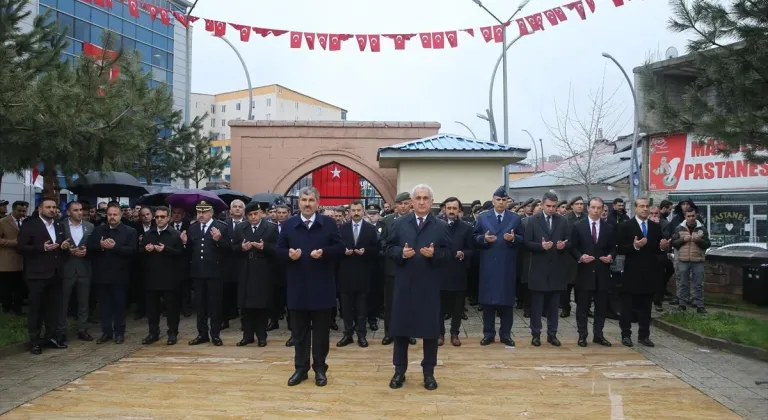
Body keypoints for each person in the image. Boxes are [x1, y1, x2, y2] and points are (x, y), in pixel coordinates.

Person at [277, 186, 344, 387]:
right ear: (298, 202)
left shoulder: (329, 224)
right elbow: (277, 250)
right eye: (304, 200)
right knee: (299, 332)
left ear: (318, 203)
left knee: (322, 333)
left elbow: (340, 248)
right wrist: (288, 254)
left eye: (311, 200)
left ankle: (320, 369)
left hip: (322, 287)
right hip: (297, 287)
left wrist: (324, 252)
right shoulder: (289, 225)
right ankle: (300, 369)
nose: (307, 203)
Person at [386, 184, 450, 391]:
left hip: (429, 286)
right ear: (411, 202)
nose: (422, 202)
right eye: (418, 198)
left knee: (430, 332)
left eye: (426, 198)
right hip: (405, 285)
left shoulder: (440, 226)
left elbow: (449, 253)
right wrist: (400, 254)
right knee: (401, 330)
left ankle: (428, 373)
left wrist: (436, 255)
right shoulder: (400, 224)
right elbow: (387, 248)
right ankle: (399, 371)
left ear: (432, 202)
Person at [16, 198, 67, 355]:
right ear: (40, 209)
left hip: (55, 274)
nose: (52, 210)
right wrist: (41, 248)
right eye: (48, 207)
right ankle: (35, 341)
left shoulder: (58, 225)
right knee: (36, 309)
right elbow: (21, 247)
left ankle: (51, 337)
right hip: (37, 274)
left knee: (52, 309)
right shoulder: (30, 225)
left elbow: (59, 246)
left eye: (54, 207)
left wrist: (64, 246)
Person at [473, 187, 523, 346]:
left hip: (507, 265)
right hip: (489, 265)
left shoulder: (515, 218)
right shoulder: (483, 217)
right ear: (493, 200)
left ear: (507, 201)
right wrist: (483, 239)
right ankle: (488, 333)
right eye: (498, 199)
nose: (501, 202)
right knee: (488, 302)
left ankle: (505, 334)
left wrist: (513, 239)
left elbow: (522, 239)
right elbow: (474, 237)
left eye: (504, 200)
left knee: (507, 303)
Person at [617, 198, 670, 347]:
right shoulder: (626, 226)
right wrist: (634, 246)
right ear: (635, 208)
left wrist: (662, 246)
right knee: (627, 307)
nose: (645, 209)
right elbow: (620, 248)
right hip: (630, 272)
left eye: (647, 206)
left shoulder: (655, 227)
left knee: (646, 307)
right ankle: (626, 334)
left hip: (649, 273)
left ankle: (644, 335)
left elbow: (657, 249)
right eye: (642, 206)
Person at [523, 192, 570, 347]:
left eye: (554, 206)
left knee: (554, 305)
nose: (551, 209)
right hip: (538, 268)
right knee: (537, 304)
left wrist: (564, 246)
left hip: (556, 268)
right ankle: (536, 334)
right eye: (548, 206)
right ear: (542, 205)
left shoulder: (563, 221)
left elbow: (568, 241)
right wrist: (540, 246)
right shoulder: (532, 221)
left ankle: (552, 334)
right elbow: (526, 243)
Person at [183, 200, 231, 346]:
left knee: (215, 305)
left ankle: (215, 334)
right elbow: (189, 251)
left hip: (215, 272)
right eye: (199, 212)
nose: (201, 215)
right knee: (200, 305)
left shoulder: (221, 227)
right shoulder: (193, 228)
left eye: (204, 212)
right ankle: (202, 333)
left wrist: (218, 240)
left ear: (211, 213)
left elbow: (229, 248)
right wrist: (185, 243)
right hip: (198, 272)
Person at [88, 202, 137, 344]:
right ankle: (106, 332)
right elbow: (89, 248)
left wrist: (116, 247)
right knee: (104, 306)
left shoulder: (129, 231)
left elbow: (132, 251)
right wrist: (100, 246)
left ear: (121, 215)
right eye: (110, 214)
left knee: (119, 305)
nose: (112, 217)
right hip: (101, 274)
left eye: (115, 214)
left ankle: (119, 332)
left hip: (119, 275)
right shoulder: (98, 230)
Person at [569, 197, 616, 347]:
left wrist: (610, 256)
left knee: (601, 307)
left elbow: (613, 247)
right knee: (582, 306)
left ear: (602, 209)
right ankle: (582, 335)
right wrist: (580, 257)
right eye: (593, 207)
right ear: (588, 208)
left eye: (599, 208)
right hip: (585, 272)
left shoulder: (608, 228)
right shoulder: (578, 226)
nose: (596, 211)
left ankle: (598, 334)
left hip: (602, 272)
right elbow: (572, 246)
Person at [232, 201, 278, 347]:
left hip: (262, 270)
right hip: (245, 270)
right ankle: (247, 335)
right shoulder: (240, 228)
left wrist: (265, 247)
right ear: (247, 216)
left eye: (256, 214)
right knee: (245, 306)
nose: (253, 217)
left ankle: (262, 335)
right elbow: (233, 248)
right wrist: (241, 247)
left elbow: (278, 248)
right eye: (250, 215)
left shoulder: (271, 228)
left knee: (261, 305)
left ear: (261, 214)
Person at [336, 200, 379, 348]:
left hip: (363, 274)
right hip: (345, 275)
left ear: (363, 211)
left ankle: (361, 335)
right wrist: (343, 252)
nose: (355, 213)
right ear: (349, 212)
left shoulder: (370, 229)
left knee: (362, 309)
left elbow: (376, 250)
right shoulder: (341, 229)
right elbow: (335, 248)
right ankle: (348, 334)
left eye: (358, 210)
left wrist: (365, 251)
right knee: (346, 309)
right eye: (353, 210)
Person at [139, 206, 184, 345]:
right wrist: (145, 250)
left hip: (170, 277)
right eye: (157, 217)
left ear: (168, 218)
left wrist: (166, 249)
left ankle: (172, 333)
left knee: (171, 308)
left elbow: (181, 254)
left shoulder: (175, 234)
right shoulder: (148, 234)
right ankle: (153, 333)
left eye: (162, 217)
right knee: (152, 309)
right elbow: (139, 252)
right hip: (152, 277)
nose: (159, 219)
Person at [379, 192, 416, 346]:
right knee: (390, 303)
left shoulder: (416, 221)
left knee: (409, 302)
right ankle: (389, 333)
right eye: (400, 203)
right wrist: (397, 252)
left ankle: (408, 333)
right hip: (392, 268)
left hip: (411, 267)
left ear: (410, 204)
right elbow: (381, 243)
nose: (403, 206)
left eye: (406, 203)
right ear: (396, 205)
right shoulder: (386, 221)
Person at [439, 197, 473, 347]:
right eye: (449, 208)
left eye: (454, 208)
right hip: (439, 272)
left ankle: (454, 333)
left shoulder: (466, 227)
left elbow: (472, 250)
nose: (451, 211)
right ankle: (439, 333)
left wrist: (464, 254)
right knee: (438, 307)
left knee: (458, 306)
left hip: (458, 272)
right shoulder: (436, 226)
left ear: (459, 210)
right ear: (444, 209)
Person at [58, 201, 95, 342]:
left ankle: (82, 329)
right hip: (66, 269)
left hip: (84, 269)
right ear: (68, 212)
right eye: (76, 210)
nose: (79, 212)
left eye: (81, 210)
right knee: (63, 303)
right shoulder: (61, 226)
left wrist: (88, 251)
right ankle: (61, 331)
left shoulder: (90, 226)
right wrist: (66, 249)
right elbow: (56, 246)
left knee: (84, 302)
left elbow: (94, 245)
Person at [671, 207, 711, 313]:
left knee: (698, 284)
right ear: (685, 217)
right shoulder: (679, 228)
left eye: (693, 216)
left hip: (698, 260)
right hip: (683, 259)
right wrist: (683, 240)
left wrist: (699, 240)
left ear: (696, 216)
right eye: (689, 216)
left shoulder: (702, 228)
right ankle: (682, 304)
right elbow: (674, 243)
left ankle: (700, 305)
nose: (691, 218)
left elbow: (707, 244)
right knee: (683, 283)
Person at [0, 200, 28, 315]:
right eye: (19, 211)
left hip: (22, 260)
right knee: (7, 286)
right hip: (7, 260)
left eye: (24, 211)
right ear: (13, 210)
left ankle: (18, 309)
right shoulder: (2, 222)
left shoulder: (26, 222)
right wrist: (14, 242)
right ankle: (6, 308)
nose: (22, 213)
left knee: (19, 287)